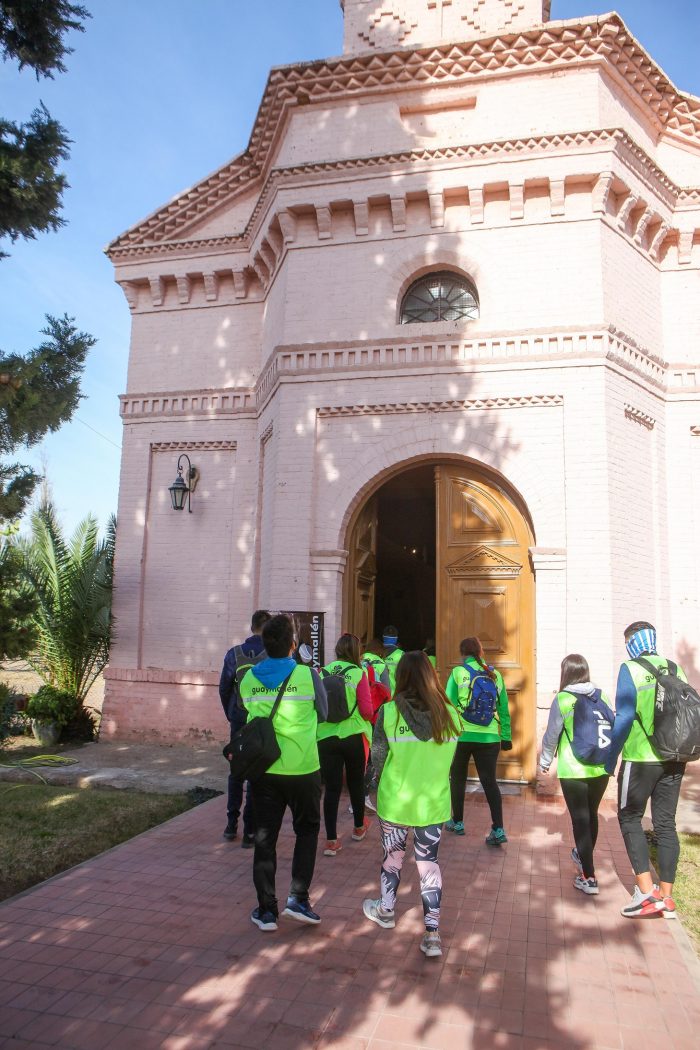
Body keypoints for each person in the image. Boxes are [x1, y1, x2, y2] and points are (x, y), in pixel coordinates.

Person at [363, 651, 461, 957]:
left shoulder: (389, 713)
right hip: (432, 804)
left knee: (392, 858)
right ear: (432, 677)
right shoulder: (450, 715)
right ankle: (432, 935)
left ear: (400, 677)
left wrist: (370, 789)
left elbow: (377, 758)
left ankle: (386, 911)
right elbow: (450, 762)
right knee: (428, 865)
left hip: (395, 801)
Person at [239, 614, 328, 931]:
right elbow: (325, 711)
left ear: (264, 643)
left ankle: (266, 911)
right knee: (306, 831)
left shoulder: (249, 679)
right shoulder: (308, 676)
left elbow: (244, 710)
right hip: (304, 769)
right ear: (294, 644)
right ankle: (299, 900)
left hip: (265, 771)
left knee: (265, 839)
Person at [605, 621, 689, 919]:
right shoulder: (675, 668)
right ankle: (667, 898)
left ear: (631, 643)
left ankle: (645, 892)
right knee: (666, 823)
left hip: (640, 758)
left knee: (629, 817)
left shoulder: (630, 669)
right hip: (675, 757)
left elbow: (625, 716)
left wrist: (610, 757)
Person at [540, 654, 613, 895]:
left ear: (566, 673)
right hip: (601, 767)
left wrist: (545, 761)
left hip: (574, 768)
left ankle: (589, 877)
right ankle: (585, 859)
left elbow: (552, 735)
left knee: (579, 820)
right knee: (590, 815)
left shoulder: (563, 699)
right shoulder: (601, 695)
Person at [444, 637, 512, 844]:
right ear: (481, 652)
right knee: (489, 782)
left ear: (462, 653)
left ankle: (458, 822)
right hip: (489, 737)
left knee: (457, 779)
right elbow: (503, 709)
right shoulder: (495, 674)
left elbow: (448, 706)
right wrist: (506, 736)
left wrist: (446, 736)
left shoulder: (458, 673)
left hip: (462, 736)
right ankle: (498, 829)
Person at [218, 609, 271, 845]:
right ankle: (250, 832)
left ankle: (231, 825)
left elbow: (224, 687)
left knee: (236, 771)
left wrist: (231, 714)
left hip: (238, 720)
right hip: (260, 722)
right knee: (256, 774)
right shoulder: (271, 655)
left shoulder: (234, 654)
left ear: (251, 627)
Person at [319, 633, 374, 856]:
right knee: (355, 783)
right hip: (352, 736)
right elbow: (367, 710)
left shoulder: (322, 672)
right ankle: (359, 827)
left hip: (325, 737)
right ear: (356, 651)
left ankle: (331, 841)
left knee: (331, 788)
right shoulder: (358, 673)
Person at [382, 626, 404, 695]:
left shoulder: (377, 653)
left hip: (379, 697)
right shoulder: (401, 655)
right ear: (396, 639)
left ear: (383, 637)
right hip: (395, 696)